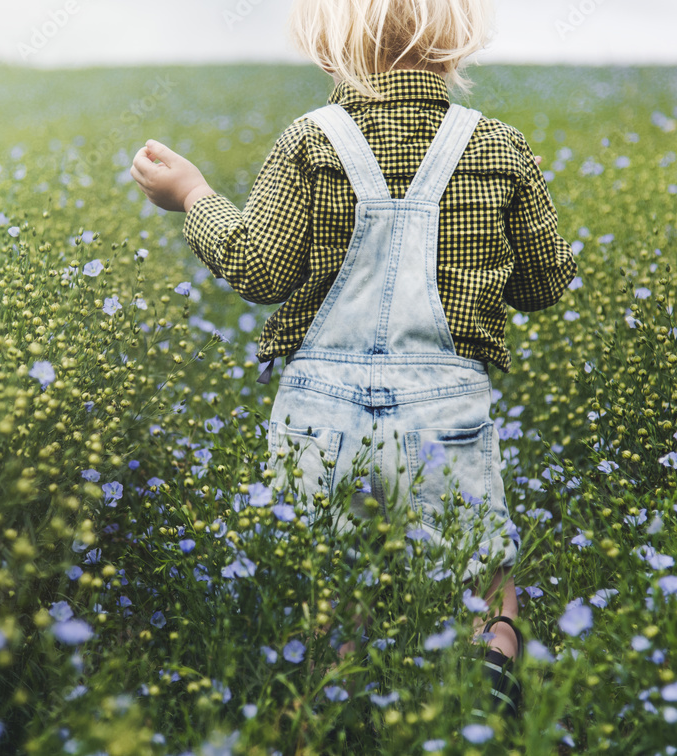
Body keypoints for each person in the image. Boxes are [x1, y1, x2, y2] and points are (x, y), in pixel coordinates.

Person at [130, 0, 577, 720]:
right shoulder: (499, 146)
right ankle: (491, 688)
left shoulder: (311, 140)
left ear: (327, 44)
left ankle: (341, 710)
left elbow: (258, 269)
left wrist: (193, 196)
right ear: (457, 42)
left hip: (322, 413)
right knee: (480, 578)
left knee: (330, 586)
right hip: (446, 413)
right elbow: (543, 285)